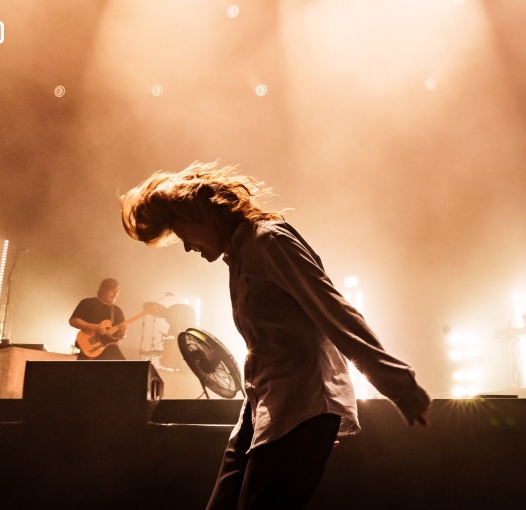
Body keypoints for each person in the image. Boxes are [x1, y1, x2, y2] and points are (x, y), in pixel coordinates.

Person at [120, 161, 431, 509]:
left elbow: (336, 314)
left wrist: (401, 387)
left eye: (181, 234)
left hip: (301, 406)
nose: (187, 247)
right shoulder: (239, 256)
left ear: (201, 215)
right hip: (261, 409)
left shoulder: (269, 241)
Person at [69, 278, 128, 360]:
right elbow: (73, 321)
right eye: (112, 291)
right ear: (104, 290)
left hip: (109, 351)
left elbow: (120, 336)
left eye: (117, 292)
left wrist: (123, 333)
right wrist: (94, 327)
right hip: (89, 349)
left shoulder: (117, 311)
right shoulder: (87, 303)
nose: (115, 295)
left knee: (126, 369)